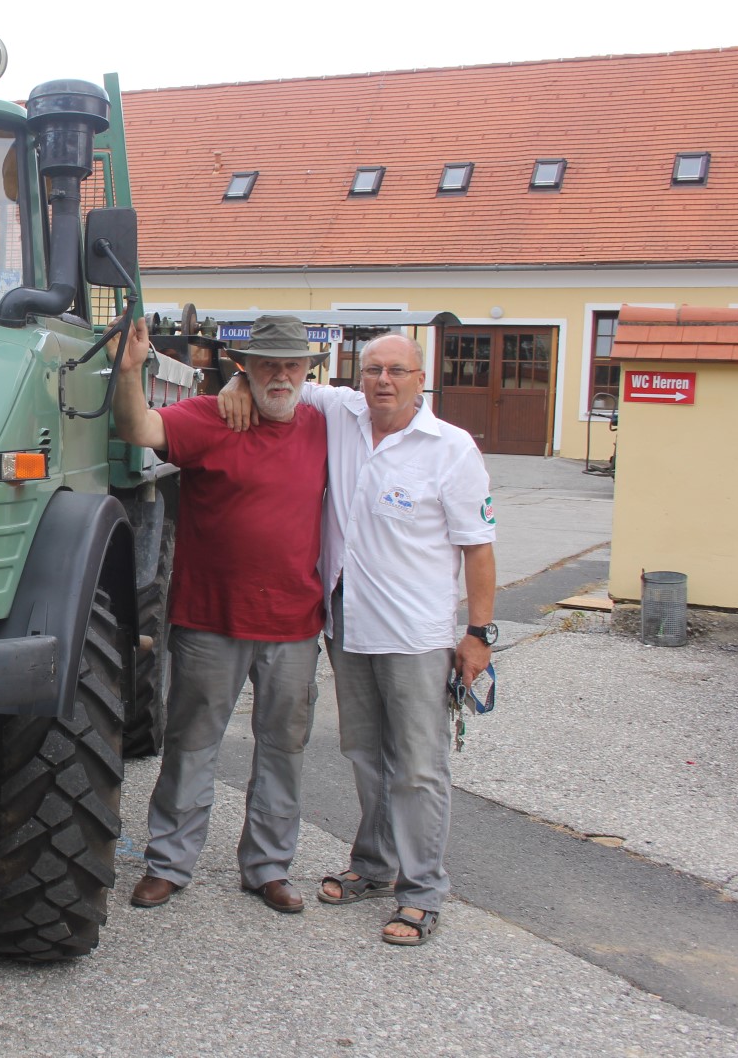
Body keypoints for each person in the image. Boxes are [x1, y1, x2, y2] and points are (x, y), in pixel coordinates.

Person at [219, 333, 497, 945]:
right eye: (373, 369)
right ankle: (373, 866)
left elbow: (478, 549)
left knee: (419, 766)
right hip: (348, 626)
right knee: (366, 756)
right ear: (358, 375)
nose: (383, 381)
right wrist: (239, 383)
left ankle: (423, 892)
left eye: (398, 370)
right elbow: (278, 382)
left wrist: (477, 634)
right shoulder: (341, 413)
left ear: (422, 378)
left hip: (416, 635)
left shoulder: (451, 450)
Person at [110, 313, 329, 915]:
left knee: (283, 748)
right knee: (192, 743)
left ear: (309, 371)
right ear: (245, 368)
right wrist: (130, 372)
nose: (281, 376)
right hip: (211, 619)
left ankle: (268, 868)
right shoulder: (211, 418)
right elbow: (138, 427)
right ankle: (169, 864)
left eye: (292, 365)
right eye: (266, 365)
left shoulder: (326, 425)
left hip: (295, 623)